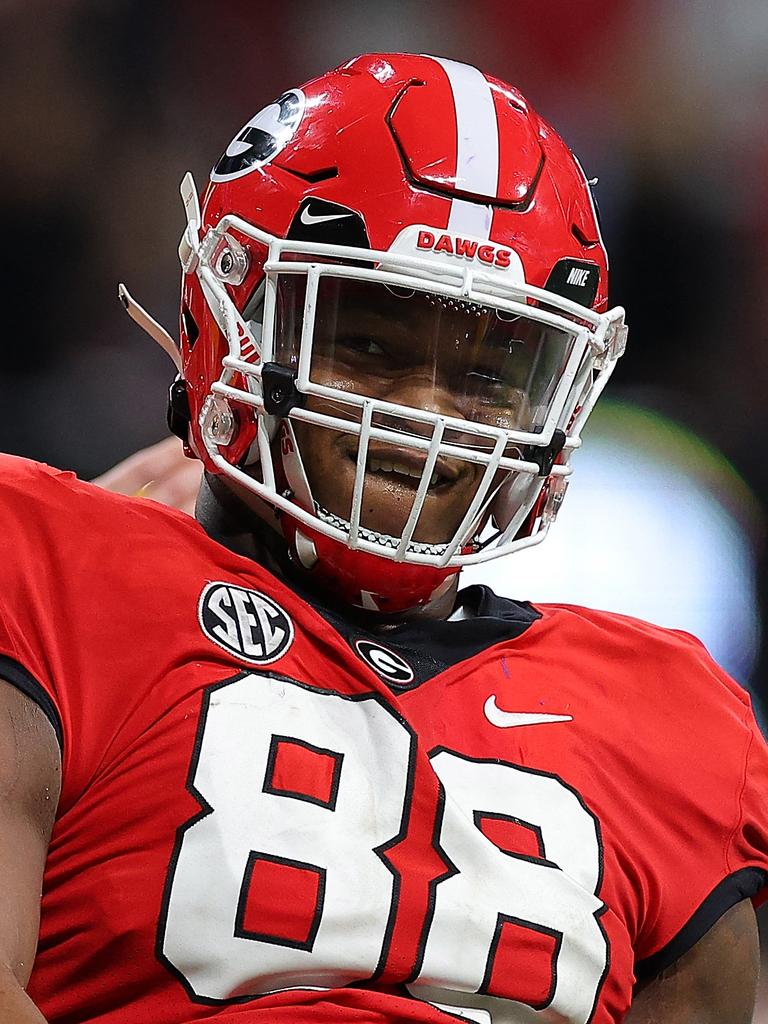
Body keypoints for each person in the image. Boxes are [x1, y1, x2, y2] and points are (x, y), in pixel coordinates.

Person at [0, 52, 765, 1024]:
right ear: (231, 313)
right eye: (367, 343)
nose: (424, 415)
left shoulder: (675, 717)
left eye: (488, 372)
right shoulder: (49, 566)